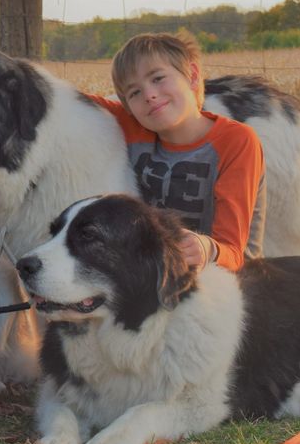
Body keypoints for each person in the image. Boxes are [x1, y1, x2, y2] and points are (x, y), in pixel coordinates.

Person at [89, 32, 265, 271]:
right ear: (128, 107)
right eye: (134, 93)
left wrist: (205, 247)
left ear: (192, 76)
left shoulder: (236, 141)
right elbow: (63, 99)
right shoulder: (133, 125)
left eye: (158, 78)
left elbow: (234, 252)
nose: (149, 95)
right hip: (158, 277)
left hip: (226, 281)